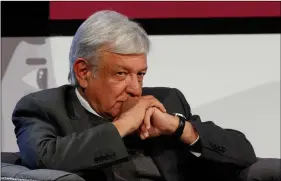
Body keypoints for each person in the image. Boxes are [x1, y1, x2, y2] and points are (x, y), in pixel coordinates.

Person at [12, 10, 257, 181]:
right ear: (84, 72)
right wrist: (123, 125)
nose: (136, 89)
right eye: (121, 74)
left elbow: (244, 153)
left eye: (140, 74)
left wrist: (180, 127)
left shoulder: (167, 100)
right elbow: (41, 162)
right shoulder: (43, 108)